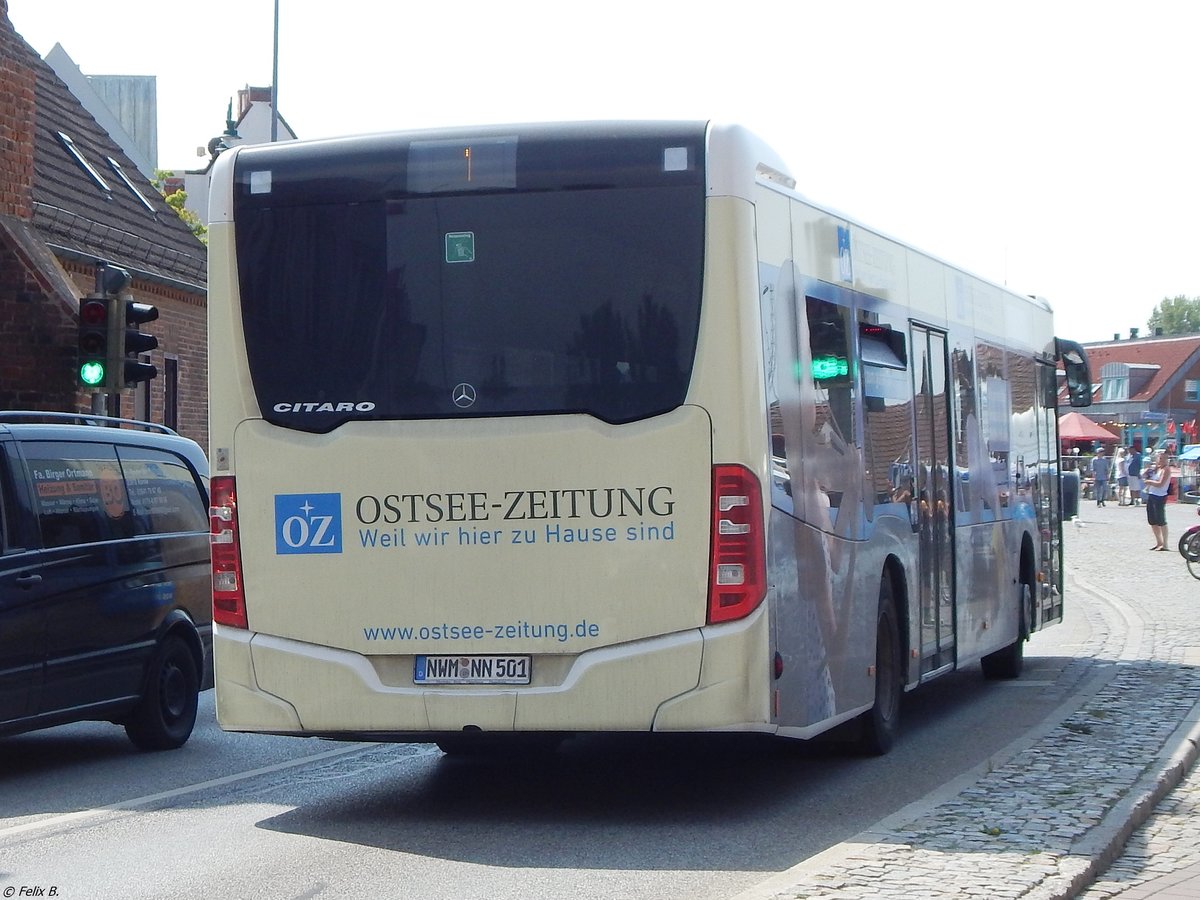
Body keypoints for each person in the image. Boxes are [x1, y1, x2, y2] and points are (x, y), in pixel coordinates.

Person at [1144, 449, 1173, 550]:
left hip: (1160, 496)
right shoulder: (1157, 469)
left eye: (1164, 458)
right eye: (1160, 458)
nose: (1161, 460)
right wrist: (1147, 472)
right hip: (1152, 494)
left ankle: (1165, 544)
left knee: (1161, 520)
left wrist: (1150, 482)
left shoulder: (1166, 469)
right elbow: (1144, 475)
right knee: (1152, 520)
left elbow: (1161, 484)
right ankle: (1159, 542)